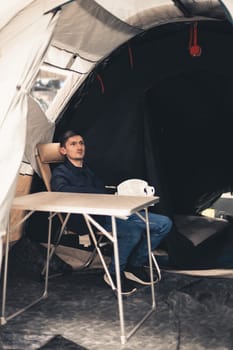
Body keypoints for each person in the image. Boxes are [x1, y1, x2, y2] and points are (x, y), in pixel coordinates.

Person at [51, 130, 172, 295]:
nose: (79, 147)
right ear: (63, 150)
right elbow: (61, 192)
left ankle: (134, 264)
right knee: (132, 232)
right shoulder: (60, 173)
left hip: (107, 212)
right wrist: (98, 194)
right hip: (84, 218)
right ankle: (114, 273)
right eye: (73, 144)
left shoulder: (88, 170)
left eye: (81, 143)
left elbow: (102, 190)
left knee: (164, 223)